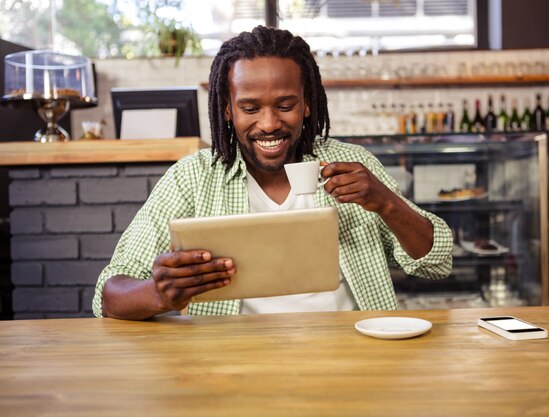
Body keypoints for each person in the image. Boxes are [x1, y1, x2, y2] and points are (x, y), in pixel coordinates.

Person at [93, 26, 453, 320]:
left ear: (307, 103)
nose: (269, 124)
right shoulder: (192, 178)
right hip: (231, 362)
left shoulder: (352, 162)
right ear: (228, 110)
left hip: (353, 353)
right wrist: (160, 294)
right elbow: (108, 297)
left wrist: (386, 203)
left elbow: (436, 265)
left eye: (285, 105)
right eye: (250, 107)